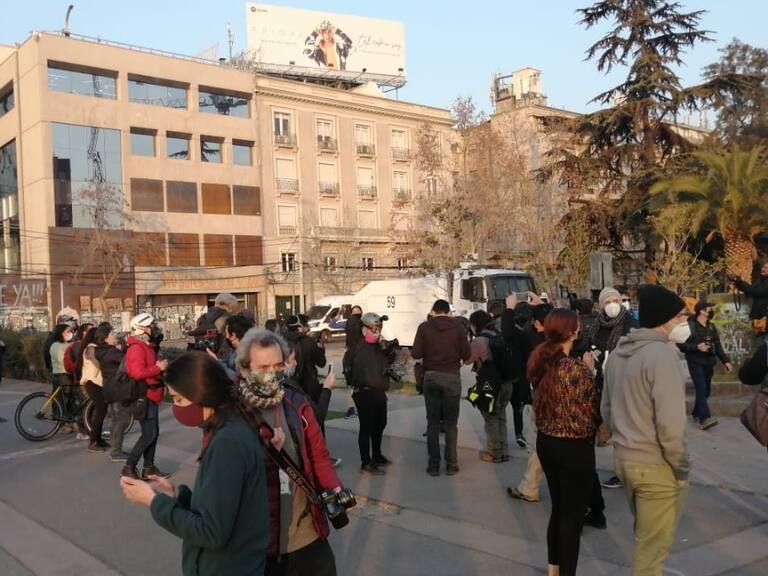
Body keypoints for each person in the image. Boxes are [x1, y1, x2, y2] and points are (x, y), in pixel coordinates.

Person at [120, 352, 269, 576]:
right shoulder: (230, 426)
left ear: (200, 392)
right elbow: (220, 507)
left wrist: (154, 502)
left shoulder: (227, 442)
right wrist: (176, 497)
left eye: (179, 399)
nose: (176, 407)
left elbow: (210, 533)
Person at [235, 328, 345, 575]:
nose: (272, 374)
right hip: (258, 538)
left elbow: (318, 456)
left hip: (305, 532)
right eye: (263, 368)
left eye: (277, 365)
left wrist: (334, 488)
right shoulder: (232, 413)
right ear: (244, 370)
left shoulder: (296, 403)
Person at [603, 284, 691, 576]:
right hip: (656, 466)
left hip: (625, 460)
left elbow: (606, 409)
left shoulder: (617, 354)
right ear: (664, 319)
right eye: (680, 316)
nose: (684, 321)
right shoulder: (662, 356)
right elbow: (671, 426)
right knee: (651, 555)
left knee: (645, 539)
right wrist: (681, 469)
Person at [529, 309, 599, 576]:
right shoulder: (576, 368)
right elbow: (592, 414)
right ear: (572, 331)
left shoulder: (540, 360)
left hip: (546, 442)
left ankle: (553, 569)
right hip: (573, 447)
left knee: (558, 509)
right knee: (572, 518)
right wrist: (592, 373)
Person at [412, 299, 471, 476]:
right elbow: (467, 355)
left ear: (433, 311)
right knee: (451, 424)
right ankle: (452, 464)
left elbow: (416, 353)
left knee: (433, 423)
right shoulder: (459, 327)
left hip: (430, 376)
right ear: (448, 311)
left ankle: (434, 465)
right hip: (452, 376)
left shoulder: (424, 327)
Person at [506, 301, 552, 502]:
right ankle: (529, 486)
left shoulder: (530, 338)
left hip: (539, 400)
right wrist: (544, 305)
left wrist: (510, 308)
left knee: (538, 444)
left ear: (535, 323)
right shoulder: (565, 338)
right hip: (562, 401)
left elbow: (508, 333)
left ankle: (529, 487)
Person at [122, 313, 170, 480]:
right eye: (151, 326)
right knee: (149, 434)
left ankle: (149, 468)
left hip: (153, 395)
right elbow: (136, 373)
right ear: (142, 328)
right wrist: (158, 368)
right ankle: (129, 466)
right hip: (145, 396)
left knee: (153, 433)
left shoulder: (147, 345)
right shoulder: (136, 348)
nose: (154, 329)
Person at [467, 310, 516, 463]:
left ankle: (494, 452)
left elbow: (467, 360)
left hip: (490, 385)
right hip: (507, 383)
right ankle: (503, 451)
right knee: (501, 416)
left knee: (491, 417)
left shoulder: (480, 341)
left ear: (475, 325)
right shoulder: (499, 335)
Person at [350, 312, 396, 475]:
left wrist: (390, 351)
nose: (377, 332)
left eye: (379, 328)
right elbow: (359, 370)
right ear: (364, 329)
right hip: (365, 392)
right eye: (374, 329)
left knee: (380, 423)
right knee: (367, 427)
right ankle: (366, 462)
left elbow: (388, 362)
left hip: (379, 391)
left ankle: (377, 455)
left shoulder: (378, 346)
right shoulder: (358, 348)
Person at [677, 300, 733, 431]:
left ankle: (696, 412)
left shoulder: (711, 326)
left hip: (709, 362)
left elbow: (718, 345)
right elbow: (680, 344)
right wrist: (697, 347)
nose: (711, 311)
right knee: (701, 388)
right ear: (701, 311)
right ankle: (704, 418)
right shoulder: (689, 325)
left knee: (706, 390)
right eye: (709, 308)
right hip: (695, 362)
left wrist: (726, 361)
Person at [95, 323, 128, 462]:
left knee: (115, 420)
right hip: (118, 389)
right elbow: (128, 363)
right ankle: (116, 451)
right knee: (121, 420)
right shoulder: (112, 352)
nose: (114, 336)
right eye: (112, 334)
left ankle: (115, 449)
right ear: (106, 337)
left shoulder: (101, 351)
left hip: (108, 388)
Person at [77, 325, 109, 452]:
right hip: (93, 383)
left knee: (100, 413)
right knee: (99, 413)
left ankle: (98, 439)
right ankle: (93, 441)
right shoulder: (91, 348)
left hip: (96, 383)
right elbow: (98, 363)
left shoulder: (91, 347)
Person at [284, 314, 327, 403]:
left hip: (286, 388)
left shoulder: (280, 341)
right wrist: (321, 347)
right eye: (305, 325)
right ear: (299, 328)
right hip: (308, 390)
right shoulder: (309, 341)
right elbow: (322, 363)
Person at [49, 323, 79, 434]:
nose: (70, 333)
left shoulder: (66, 344)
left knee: (69, 399)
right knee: (63, 400)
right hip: (62, 375)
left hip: (66, 374)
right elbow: (64, 361)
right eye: (68, 331)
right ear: (61, 333)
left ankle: (70, 423)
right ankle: (64, 424)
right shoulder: (57, 346)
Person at [732, 263, 768, 338]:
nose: (763, 269)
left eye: (766, 268)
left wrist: (740, 283)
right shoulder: (760, 280)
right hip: (759, 319)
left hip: (764, 319)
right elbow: (751, 290)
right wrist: (738, 283)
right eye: (763, 267)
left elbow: (757, 291)